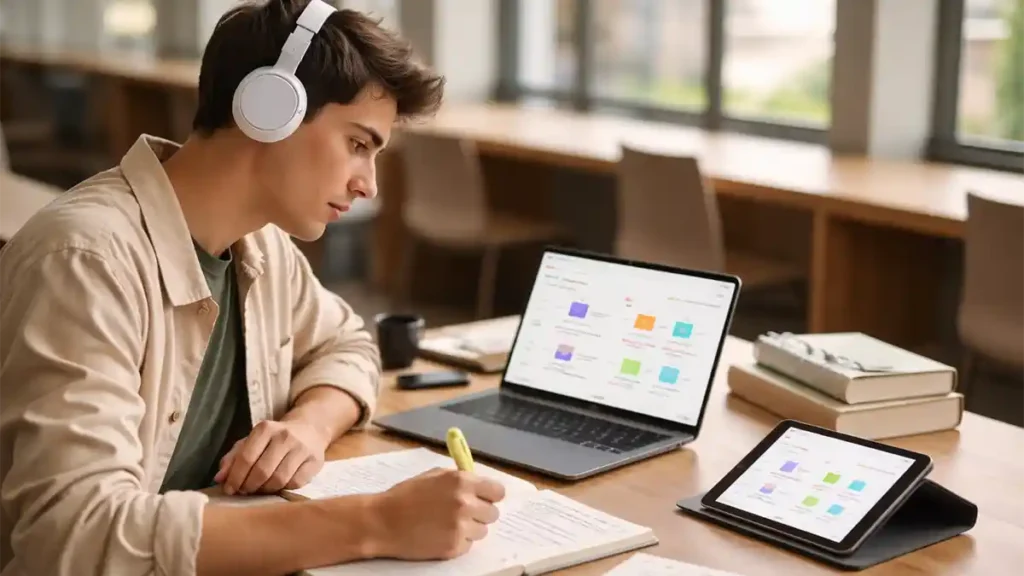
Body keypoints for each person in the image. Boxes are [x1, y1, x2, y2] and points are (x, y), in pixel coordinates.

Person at [0, 1, 506, 574]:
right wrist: (374, 523)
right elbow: (73, 534)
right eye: (359, 145)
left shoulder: (260, 247)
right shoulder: (85, 261)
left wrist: (308, 427)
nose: (368, 185)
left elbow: (348, 345)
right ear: (271, 109)